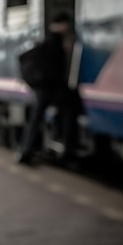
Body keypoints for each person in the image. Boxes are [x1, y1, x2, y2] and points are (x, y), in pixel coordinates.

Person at [15, 12, 76, 166]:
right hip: (52, 89)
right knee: (68, 112)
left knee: (35, 120)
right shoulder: (56, 41)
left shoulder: (46, 40)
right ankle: (67, 151)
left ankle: (25, 151)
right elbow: (58, 70)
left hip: (42, 89)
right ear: (62, 24)